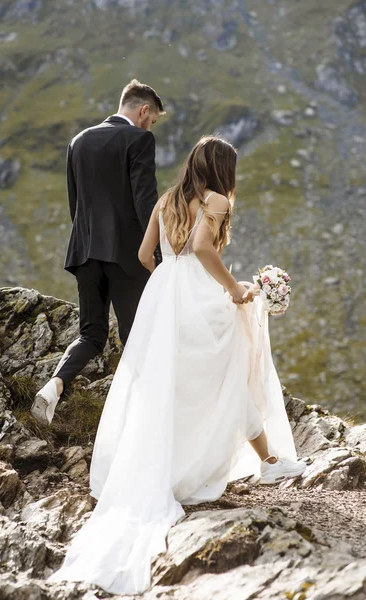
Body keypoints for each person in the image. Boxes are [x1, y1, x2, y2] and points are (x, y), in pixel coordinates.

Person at [48, 136, 306, 595]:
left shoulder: (166, 199)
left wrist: (170, 279)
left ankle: (261, 459)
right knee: (227, 373)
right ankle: (266, 461)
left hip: (162, 297)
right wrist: (234, 289)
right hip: (198, 295)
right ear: (223, 168)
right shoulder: (218, 200)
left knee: (168, 387)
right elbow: (206, 249)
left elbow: (146, 255)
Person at [31, 79, 164, 425]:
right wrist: (158, 254)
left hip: (85, 252)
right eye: (152, 120)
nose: (150, 126)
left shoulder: (79, 141)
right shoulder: (139, 139)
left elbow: (75, 206)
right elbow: (145, 201)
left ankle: (54, 385)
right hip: (126, 255)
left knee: (91, 334)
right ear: (143, 110)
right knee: (135, 335)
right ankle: (140, 420)